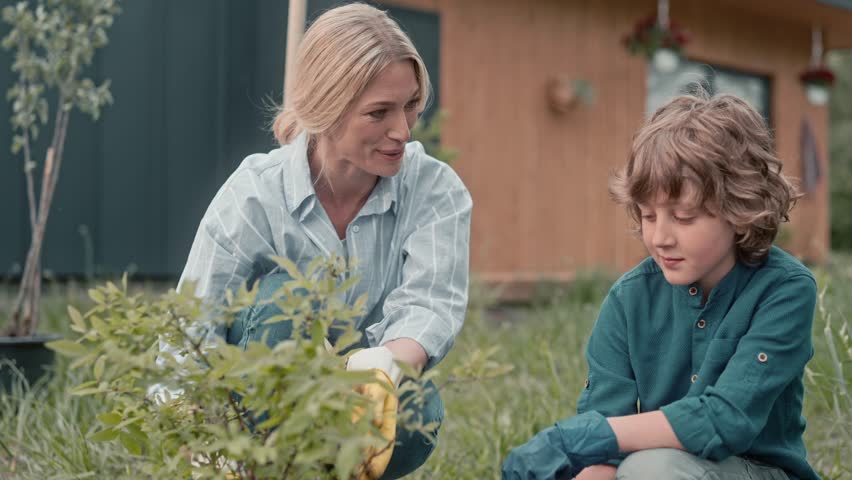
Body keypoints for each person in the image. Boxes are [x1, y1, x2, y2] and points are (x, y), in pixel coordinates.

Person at [177, 3, 472, 478]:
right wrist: (202, 438)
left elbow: (430, 304)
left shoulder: (435, 190)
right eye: (379, 113)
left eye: (411, 104)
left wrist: (378, 368)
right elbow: (191, 326)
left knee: (418, 411)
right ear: (326, 109)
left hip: (362, 396)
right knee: (287, 298)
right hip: (251, 405)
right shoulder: (256, 194)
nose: (403, 130)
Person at [502, 93, 820, 480]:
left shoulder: (784, 290)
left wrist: (589, 435)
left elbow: (726, 419)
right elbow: (604, 440)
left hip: (758, 471)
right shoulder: (628, 298)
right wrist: (584, 453)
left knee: (650, 468)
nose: (660, 237)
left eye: (684, 218)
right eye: (649, 215)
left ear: (741, 211)